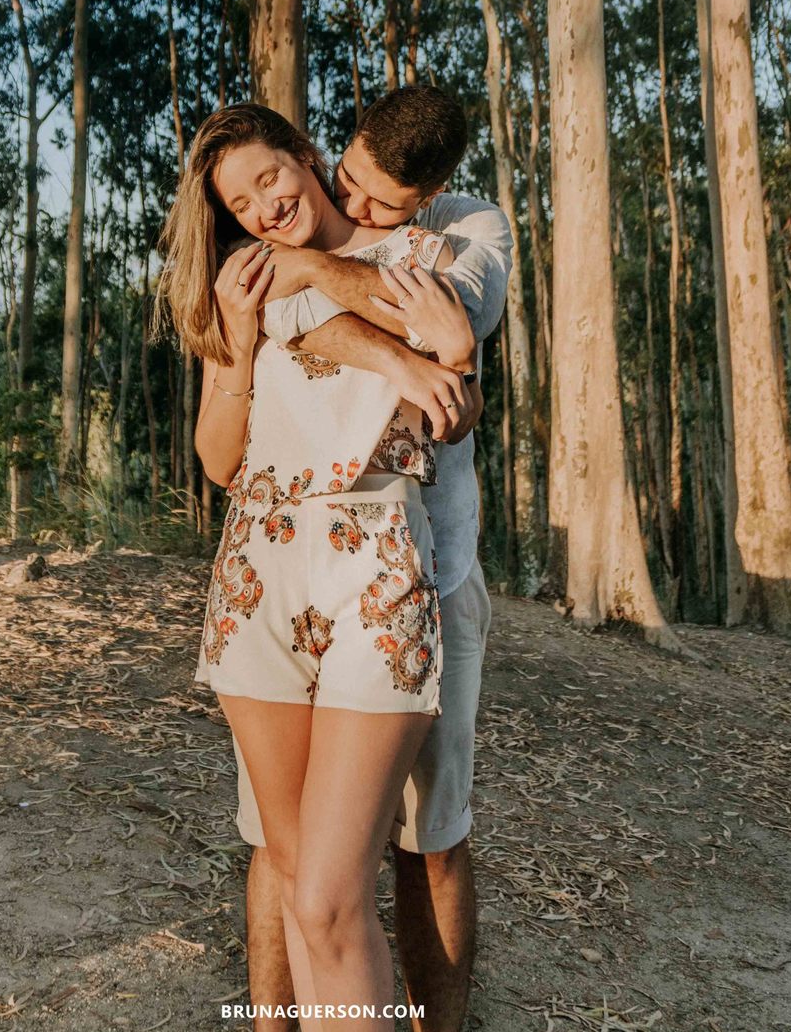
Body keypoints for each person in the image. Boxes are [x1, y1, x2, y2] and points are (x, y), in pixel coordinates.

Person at [154, 101, 481, 1016]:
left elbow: (454, 392)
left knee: (334, 897)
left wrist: (440, 355)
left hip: (376, 566)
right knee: (296, 873)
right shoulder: (242, 283)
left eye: (270, 176)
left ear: (306, 155)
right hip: (256, 572)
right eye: (241, 202)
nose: (264, 205)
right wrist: (238, 343)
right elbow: (219, 459)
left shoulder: (416, 256)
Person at [235, 86, 512, 1032]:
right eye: (348, 179)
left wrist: (313, 270)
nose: (353, 205)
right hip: (297, 582)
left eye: (382, 203)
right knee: (284, 847)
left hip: (432, 572)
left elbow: (454, 322)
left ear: (426, 197)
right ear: (340, 147)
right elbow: (283, 317)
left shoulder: (472, 230)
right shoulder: (300, 214)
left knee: (428, 838)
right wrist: (407, 344)